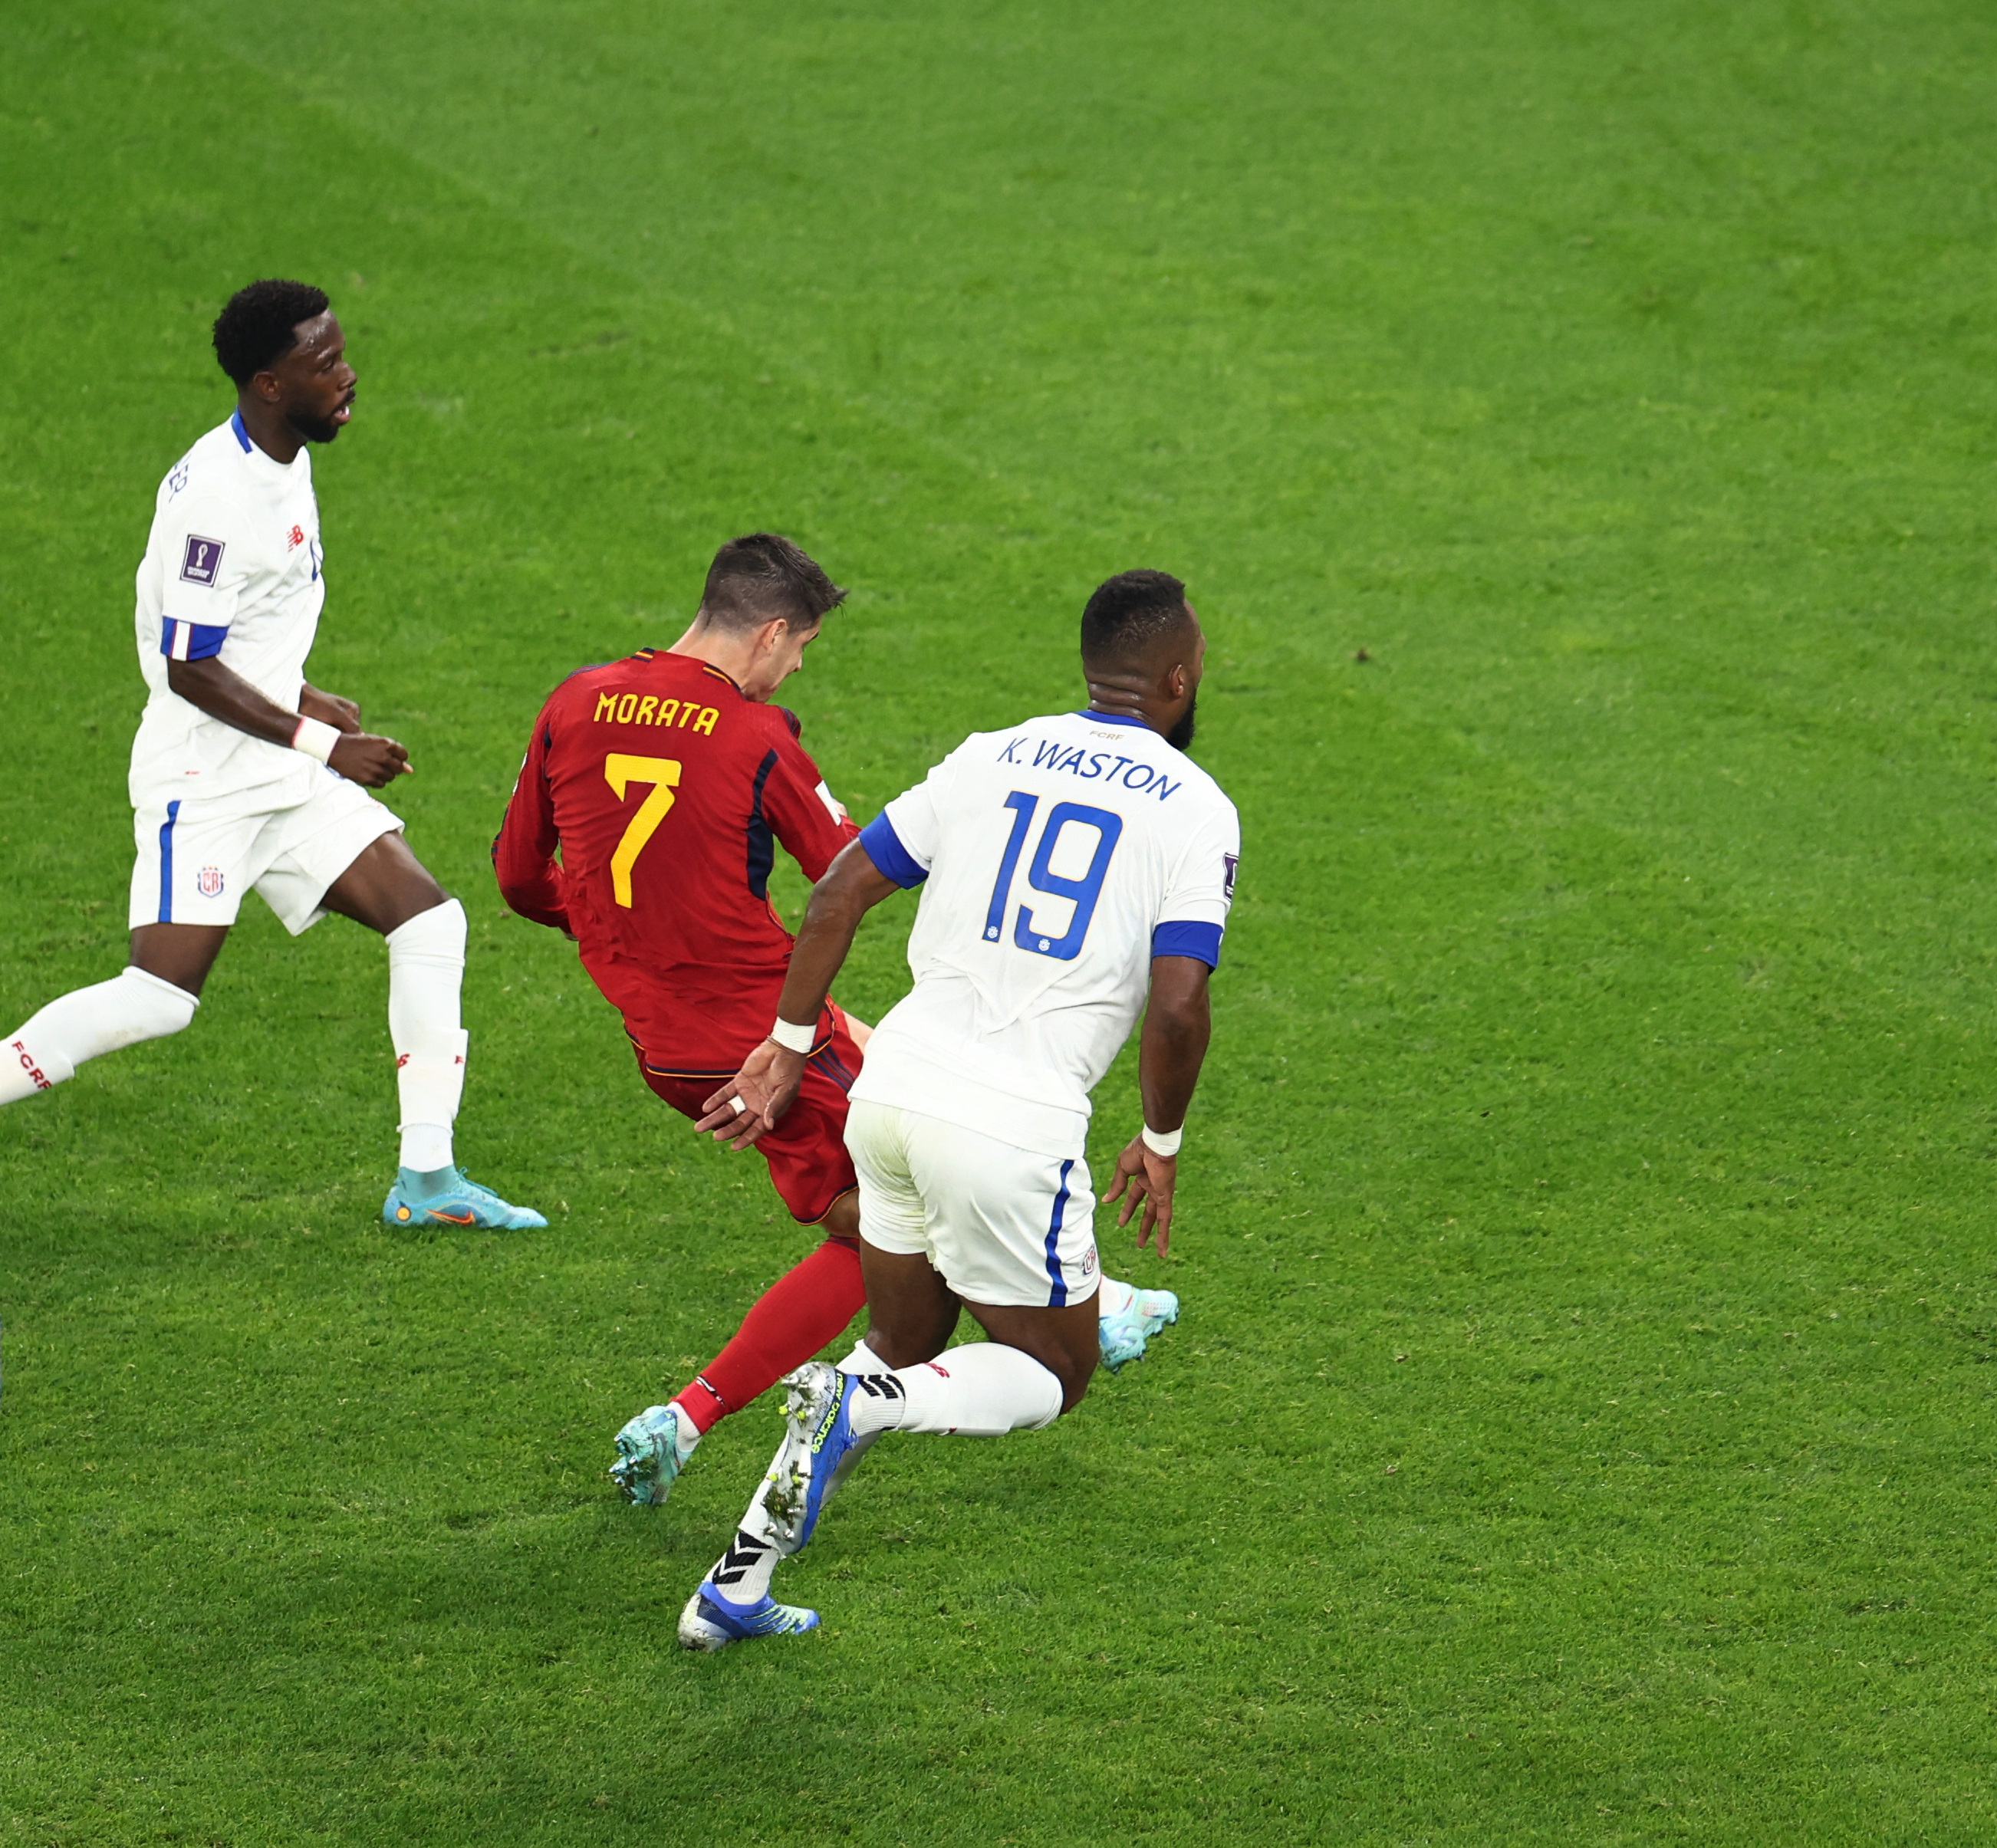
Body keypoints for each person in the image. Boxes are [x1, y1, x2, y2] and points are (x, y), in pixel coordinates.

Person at [492, 538, 1179, 1509]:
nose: (799, 666)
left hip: (666, 1049)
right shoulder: (754, 737)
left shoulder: (574, 700)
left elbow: (521, 879)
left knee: (884, 1214)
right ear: (770, 633)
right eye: (802, 645)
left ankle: (688, 1423)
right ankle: (1084, 1313)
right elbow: (843, 874)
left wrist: (620, 928)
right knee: (912, 1211)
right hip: (773, 1041)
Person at [672, 568, 1239, 1649]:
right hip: (1006, 1125)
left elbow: (838, 888)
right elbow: (1178, 1000)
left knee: (902, 1335)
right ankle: (862, 1407)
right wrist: (1160, 1139)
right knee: (1054, 1371)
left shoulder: (993, 752)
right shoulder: (1196, 808)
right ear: (1177, 678)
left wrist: (790, 1048)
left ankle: (735, 1579)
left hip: (887, 1093)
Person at [0, 279, 541, 1228]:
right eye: (323, 364)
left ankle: (426, 1181)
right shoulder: (218, 497)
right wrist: (324, 738)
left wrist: (301, 693)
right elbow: (186, 666)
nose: (348, 375)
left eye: (341, 353)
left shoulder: (280, 454)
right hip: (205, 784)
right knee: (161, 998)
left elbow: (242, 636)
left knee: (430, 923)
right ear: (267, 382)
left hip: (280, 772)